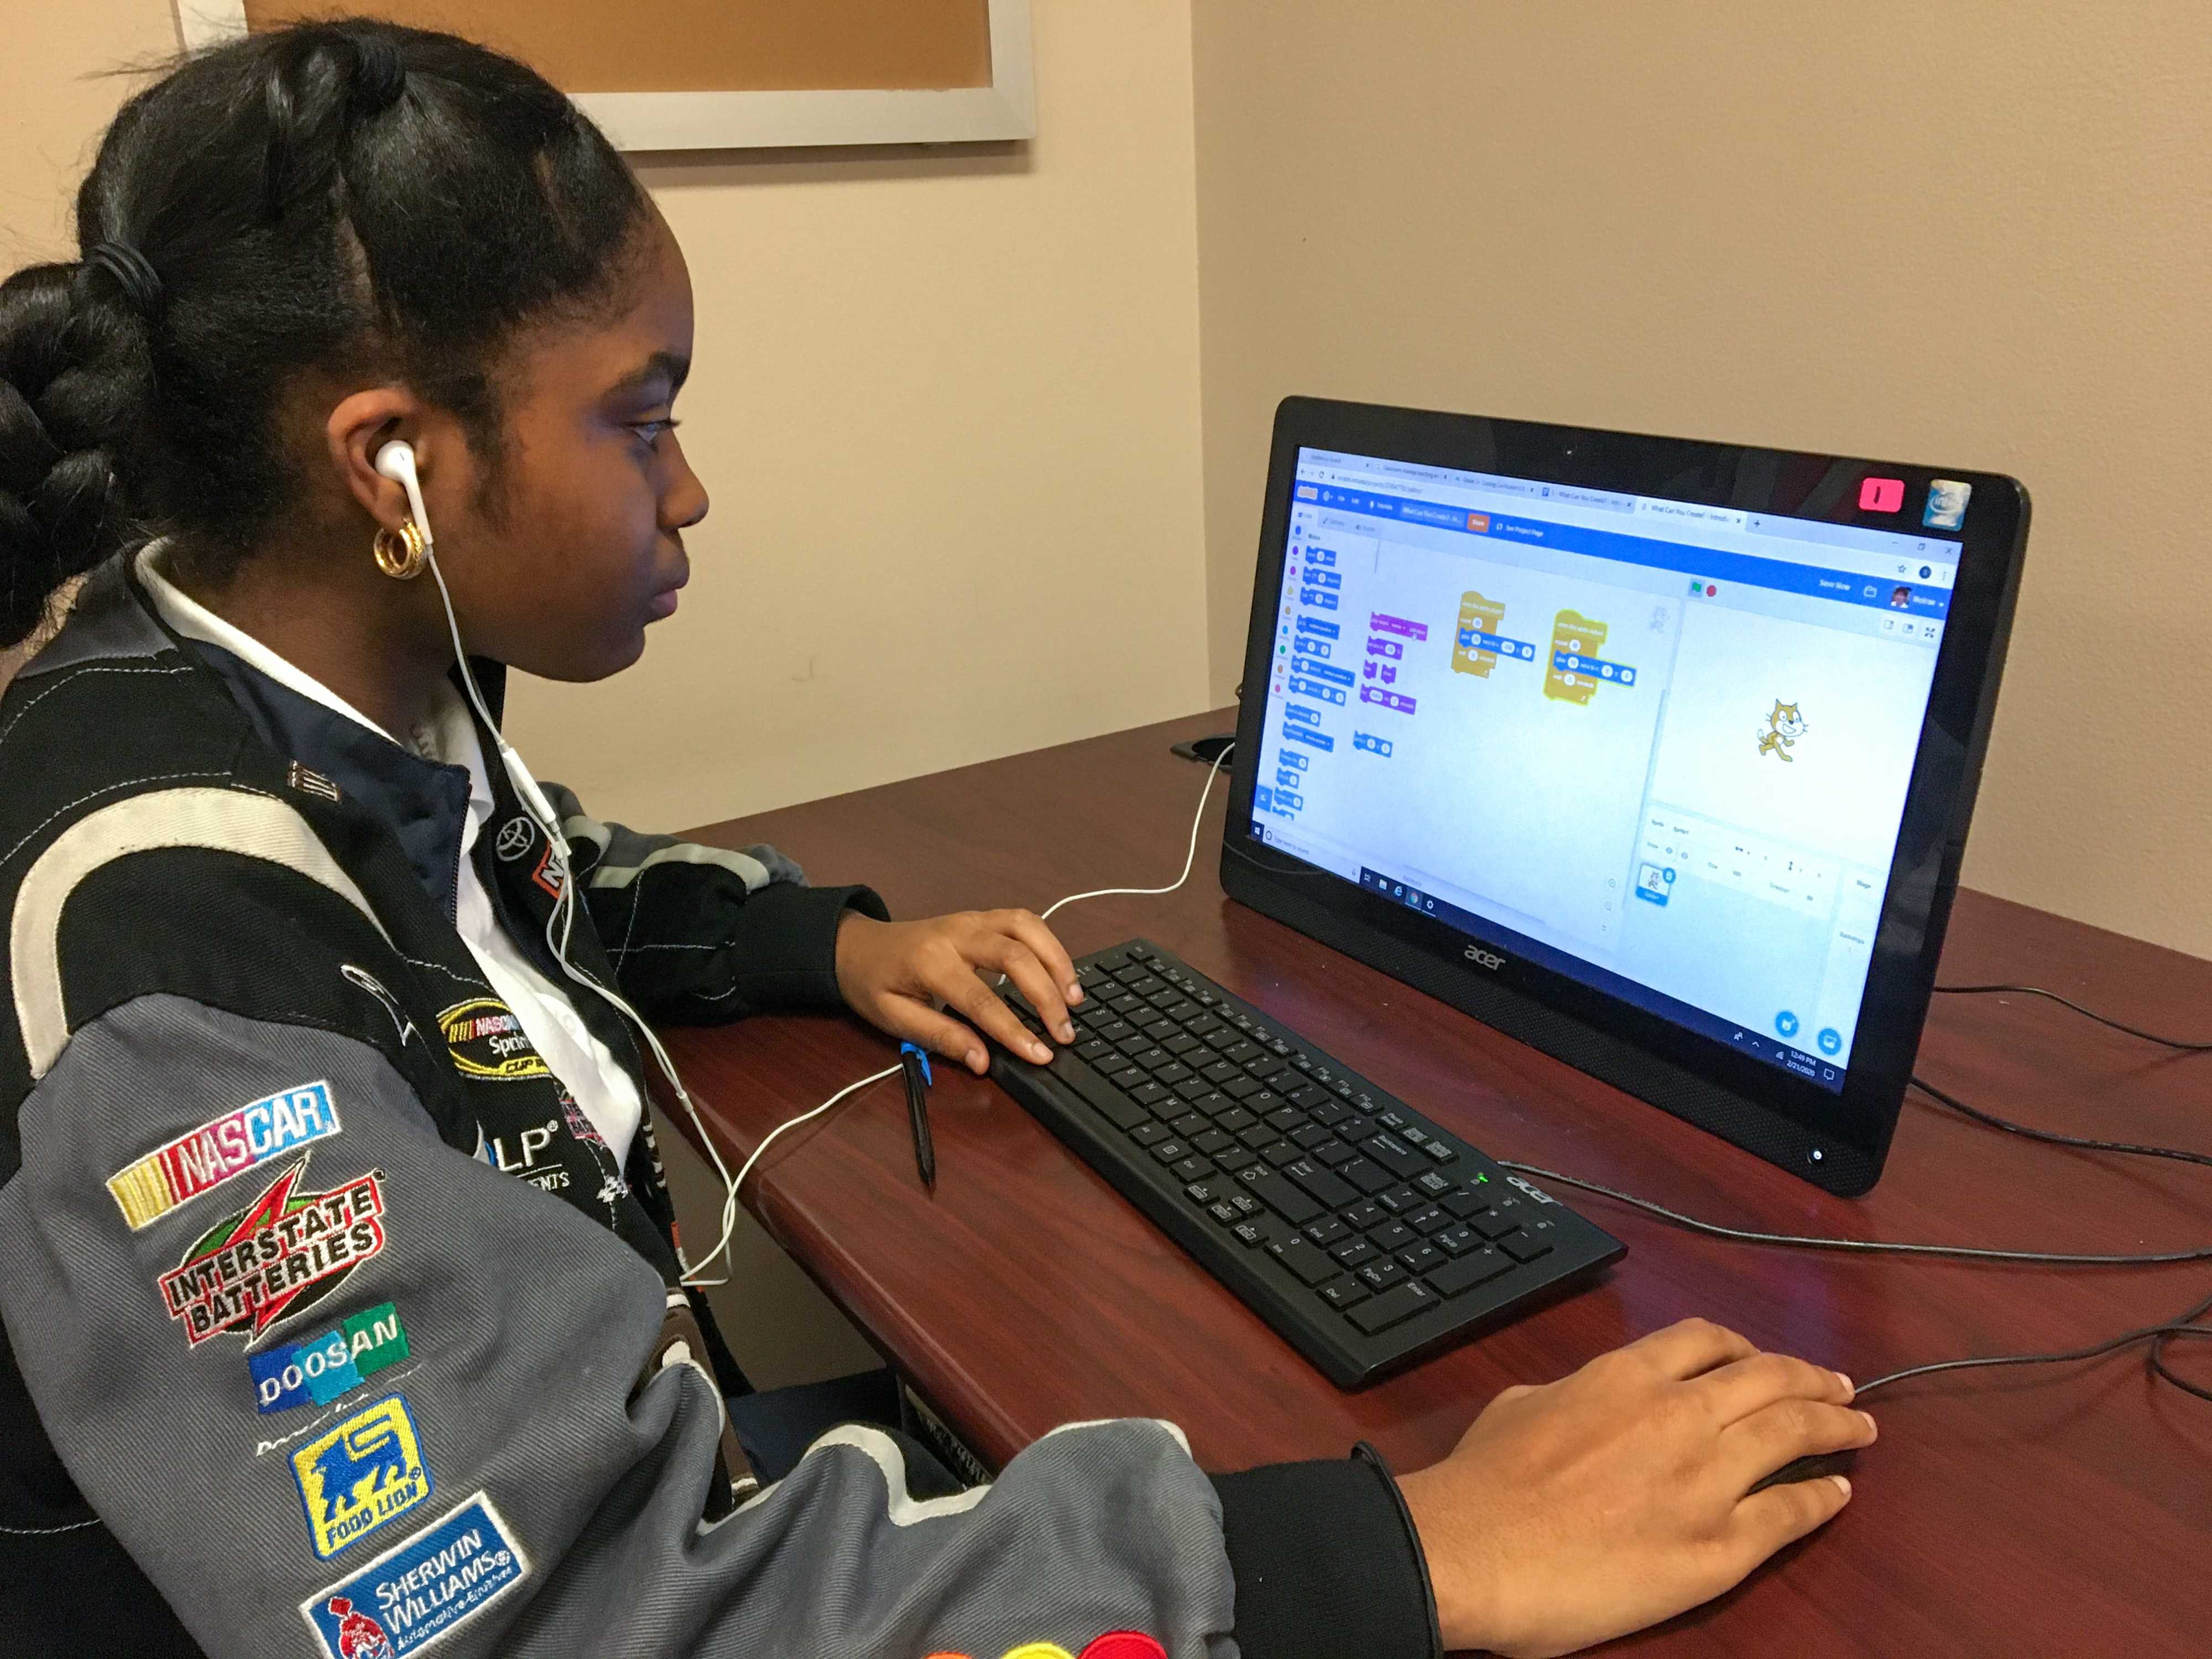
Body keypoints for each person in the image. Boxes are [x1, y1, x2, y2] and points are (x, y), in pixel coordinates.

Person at [0, 20, 1875, 1659]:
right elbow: (567, 1616)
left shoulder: (273, 682)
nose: (689, 488)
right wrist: (1399, 1555)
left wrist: (826, 946)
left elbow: (516, 888)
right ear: (391, 464)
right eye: (638, 421)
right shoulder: (169, 946)